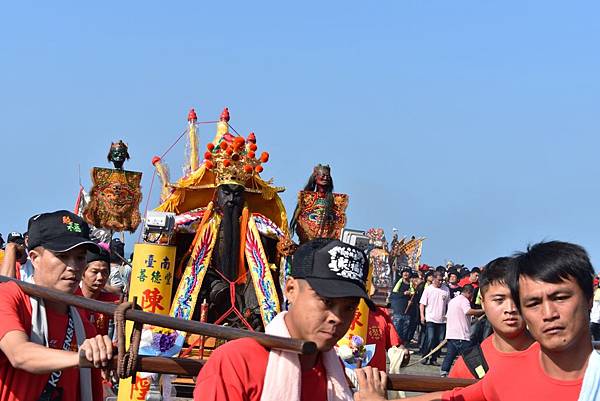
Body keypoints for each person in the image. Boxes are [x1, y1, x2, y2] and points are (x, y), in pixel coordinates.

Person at [356, 241, 599, 401]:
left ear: (589, 298)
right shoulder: (508, 375)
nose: (549, 313)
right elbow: (451, 397)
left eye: (560, 298)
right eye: (533, 303)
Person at [193, 238, 372, 401]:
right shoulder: (237, 362)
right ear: (291, 289)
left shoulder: (335, 373)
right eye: (326, 301)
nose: (337, 318)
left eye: (349, 307)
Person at [0, 210, 113, 401]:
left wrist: (105, 351)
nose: (73, 266)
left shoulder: (85, 326)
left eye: (79, 257)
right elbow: (19, 354)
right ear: (34, 258)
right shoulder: (10, 296)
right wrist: (81, 358)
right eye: (62, 255)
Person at [449, 257, 535, 379]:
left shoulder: (553, 357)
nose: (510, 309)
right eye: (499, 300)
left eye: (517, 299)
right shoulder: (467, 365)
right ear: (483, 303)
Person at [440, 284, 484, 376]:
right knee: (471, 356)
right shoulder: (464, 300)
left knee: (450, 355)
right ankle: (480, 374)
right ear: (469, 293)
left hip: (451, 334)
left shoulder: (453, 301)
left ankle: (444, 372)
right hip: (461, 335)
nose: (471, 297)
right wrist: (484, 310)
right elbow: (468, 311)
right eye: (471, 295)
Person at [76, 248, 121, 336]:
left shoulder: (113, 301)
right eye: (95, 272)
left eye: (104, 272)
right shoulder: (71, 298)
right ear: (83, 273)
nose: (100, 277)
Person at [419, 271, 450, 366]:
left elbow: (449, 304)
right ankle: (425, 356)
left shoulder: (446, 290)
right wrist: (422, 316)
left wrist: (448, 316)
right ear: (434, 279)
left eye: (442, 280)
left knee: (440, 340)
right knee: (430, 338)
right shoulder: (428, 289)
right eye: (438, 280)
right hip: (431, 318)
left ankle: (434, 358)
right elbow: (422, 304)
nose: (440, 282)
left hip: (442, 319)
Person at [390, 268, 414, 342]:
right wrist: (404, 293)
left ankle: (402, 347)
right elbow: (393, 295)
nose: (406, 274)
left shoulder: (412, 284)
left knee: (404, 332)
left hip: (407, 312)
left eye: (407, 272)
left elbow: (414, 295)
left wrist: (411, 296)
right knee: (396, 330)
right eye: (404, 272)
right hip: (398, 311)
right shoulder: (398, 282)